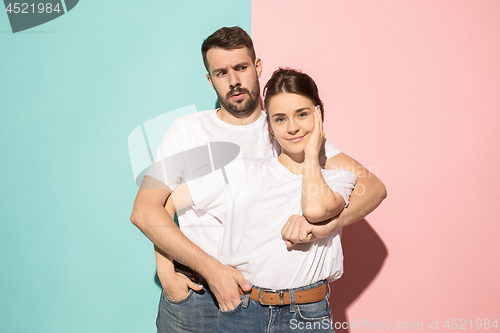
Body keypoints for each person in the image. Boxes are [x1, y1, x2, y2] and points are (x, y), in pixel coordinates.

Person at [130, 27, 386, 333]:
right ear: (210, 80)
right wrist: (177, 270)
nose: (234, 80)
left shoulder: (286, 127)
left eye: (240, 67)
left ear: (257, 67)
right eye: (221, 72)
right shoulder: (188, 130)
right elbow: (148, 210)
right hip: (194, 294)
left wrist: (324, 225)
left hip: (255, 299)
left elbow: (371, 186)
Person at [166, 68, 357, 332]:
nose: (292, 127)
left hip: (307, 316)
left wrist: (313, 153)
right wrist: (166, 269)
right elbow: (168, 204)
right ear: (269, 126)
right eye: (280, 119)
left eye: (302, 114)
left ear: (319, 114)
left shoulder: (338, 179)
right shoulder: (240, 171)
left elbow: (315, 209)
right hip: (244, 311)